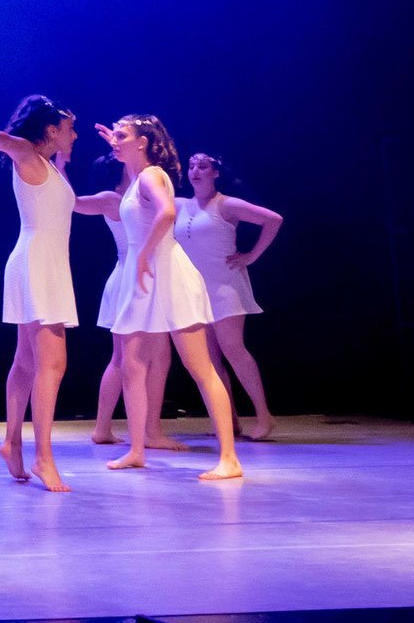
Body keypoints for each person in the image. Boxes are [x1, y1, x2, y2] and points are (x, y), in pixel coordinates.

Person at [96, 116, 242, 480]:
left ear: (143, 142)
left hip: (167, 272)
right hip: (143, 276)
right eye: (115, 135)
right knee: (131, 363)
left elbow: (168, 212)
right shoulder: (135, 179)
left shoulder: (151, 175)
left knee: (199, 366)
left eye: (123, 135)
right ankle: (136, 449)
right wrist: (117, 143)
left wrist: (145, 253)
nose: (116, 140)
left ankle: (229, 458)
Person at [0, 96, 79, 492]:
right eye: (70, 128)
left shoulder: (48, 166)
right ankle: (43, 457)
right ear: (51, 130)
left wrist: (64, 161)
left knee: (27, 361)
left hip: (40, 262)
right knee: (53, 363)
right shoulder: (29, 155)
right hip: (37, 263)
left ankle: (12, 442)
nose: (75, 135)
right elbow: (12, 144)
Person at [177, 152, 282, 441]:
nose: (195, 171)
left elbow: (273, 220)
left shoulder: (226, 204)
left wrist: (251, 256)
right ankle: (228, 420)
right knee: (209, 359)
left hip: (225, 287)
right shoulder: (180, 205)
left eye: (203, 166)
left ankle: (264, 416)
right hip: (195, 290)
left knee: (233, 350)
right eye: (192, 166)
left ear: (215, 173)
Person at [78, 158, 182, 451]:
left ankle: (107, 428)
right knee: (148, 356)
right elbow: (74, 203)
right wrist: (60, 165)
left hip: (133, 273)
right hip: (134, 274)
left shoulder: (135, 196)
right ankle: (150, 432)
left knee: (127, 357)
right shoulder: (115, 199)